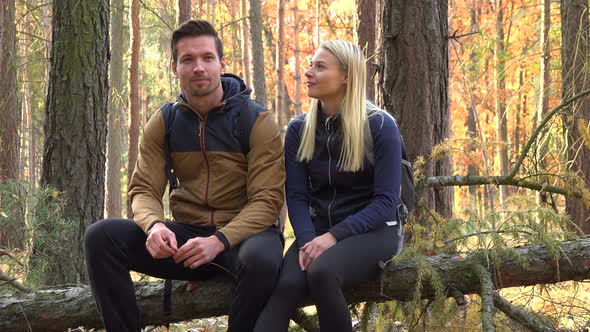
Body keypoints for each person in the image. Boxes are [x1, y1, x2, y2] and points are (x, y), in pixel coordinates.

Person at [84, 20, 285, 332]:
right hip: (188, 240)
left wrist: (220, 240)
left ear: (222, 63)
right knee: (101, 238)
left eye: (207, 58)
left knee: (263, 261)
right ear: (175, 67)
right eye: (188, 60)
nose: (199, 68)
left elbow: (268, 201)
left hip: (244, 237)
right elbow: (143, 190)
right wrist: (154, 226)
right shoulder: (165, 122)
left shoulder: (255, 120)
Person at [254, 40, 404, 332]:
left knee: (322, 272)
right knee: (285, 285)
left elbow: (386, 202)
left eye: (320, 67)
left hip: (374, 231)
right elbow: (296, 196)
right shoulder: (300, 129)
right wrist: (310, 238)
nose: (308, 72)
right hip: (318, 231)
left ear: (347, 75)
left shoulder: (380, 125)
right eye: (310, 64)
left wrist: (333, 237)